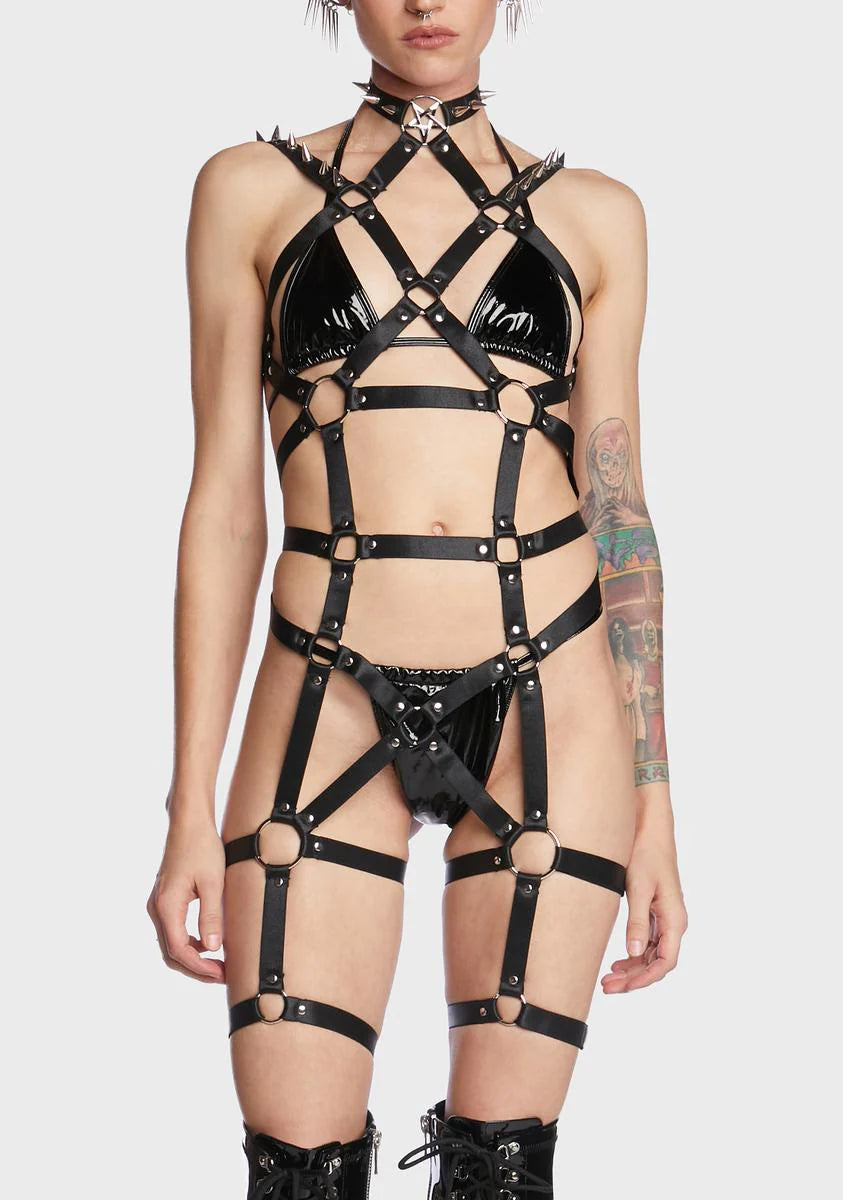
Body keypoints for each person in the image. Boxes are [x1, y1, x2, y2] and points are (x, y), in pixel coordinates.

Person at [146, 3, 688, 1197]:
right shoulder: (248, 193)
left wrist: (655, 806)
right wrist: (188, 805)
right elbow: (225, 506)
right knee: (297, 1171)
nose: (427, 3)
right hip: (325, 690)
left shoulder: (598, 215)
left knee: (504, 1173)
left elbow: (620, 516)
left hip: (551, 697)